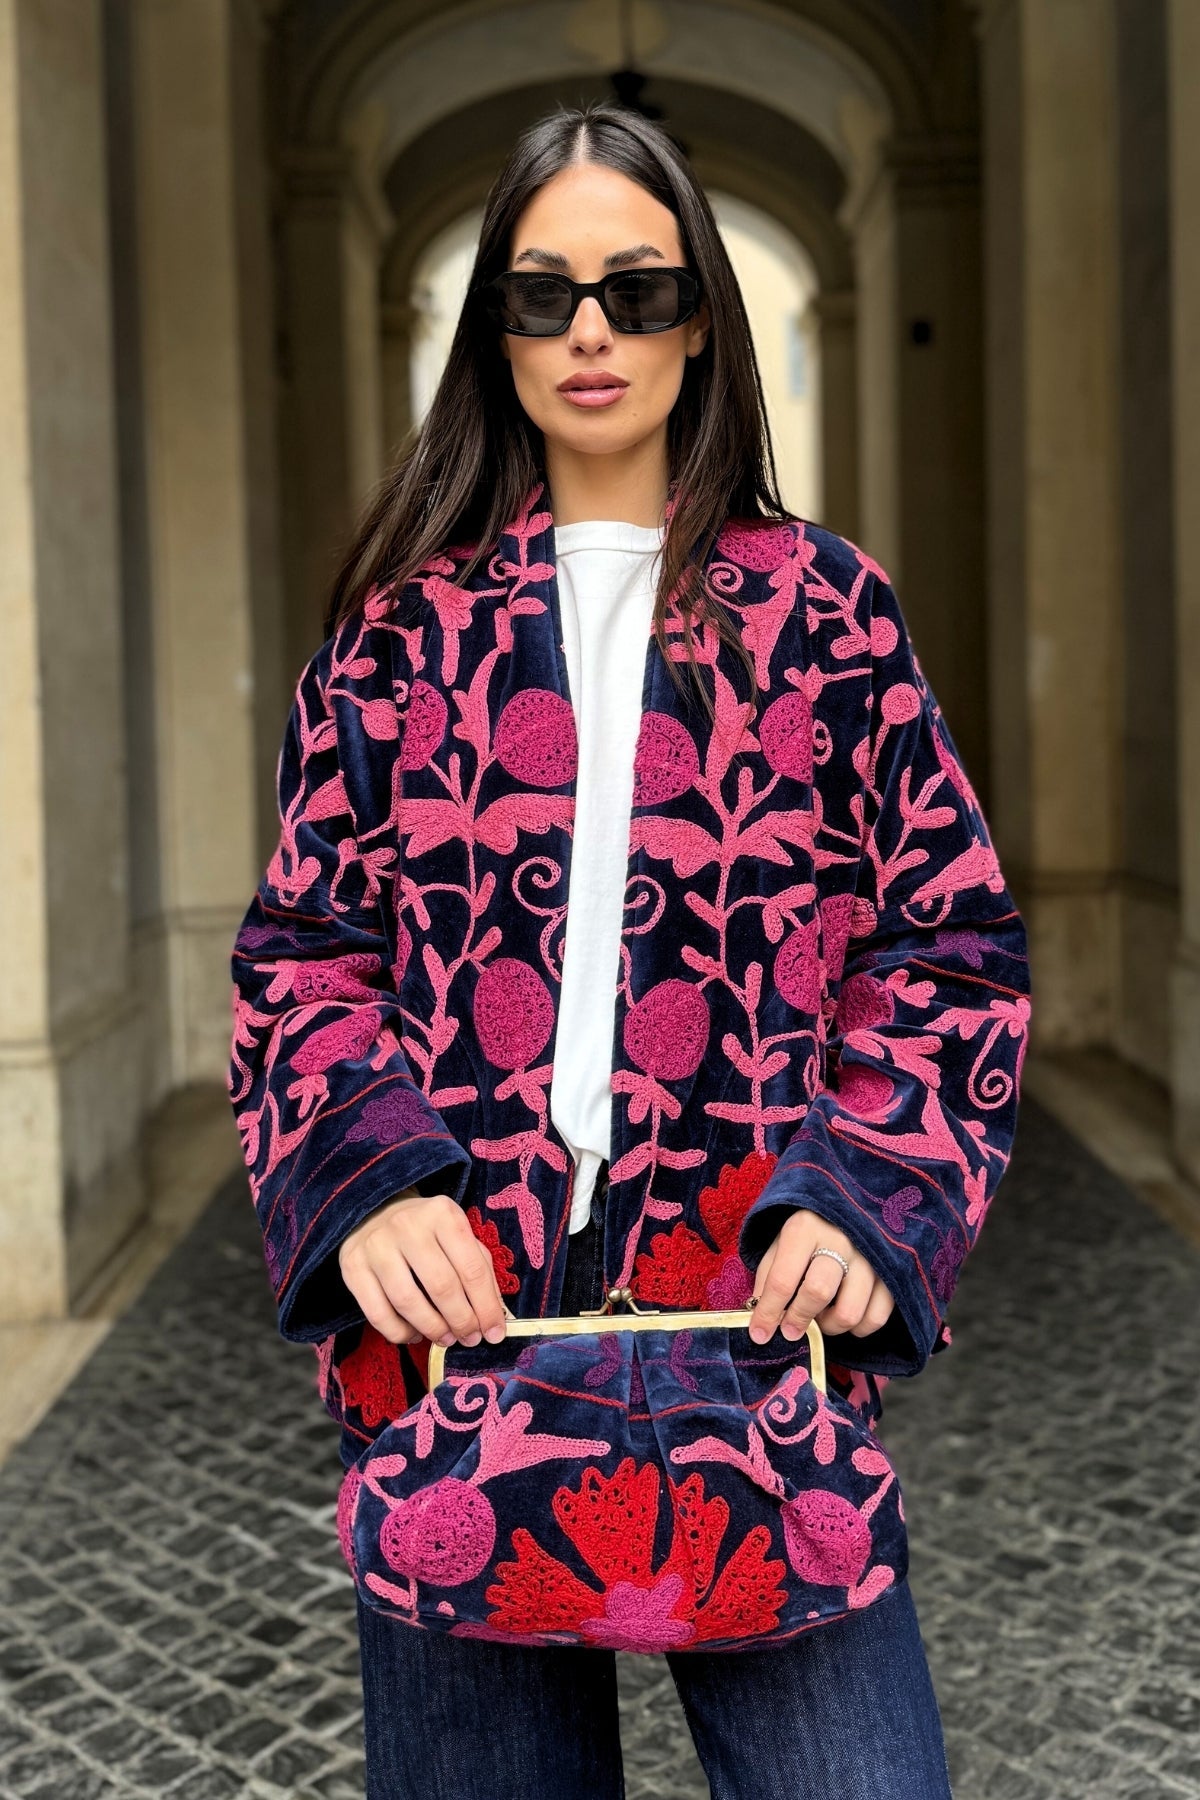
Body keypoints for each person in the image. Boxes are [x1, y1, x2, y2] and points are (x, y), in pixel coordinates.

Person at [229, 101, 1030, 1800]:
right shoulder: (400, 635)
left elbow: (948, 943)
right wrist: (371, 1189)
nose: (591, 330)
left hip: (750, 1317)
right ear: (498, 329)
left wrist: (866, 1194)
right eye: (544, 293)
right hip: (463, 1332)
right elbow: (303, 955)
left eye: (637, 289)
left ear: (700, 318)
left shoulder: (826, 615)